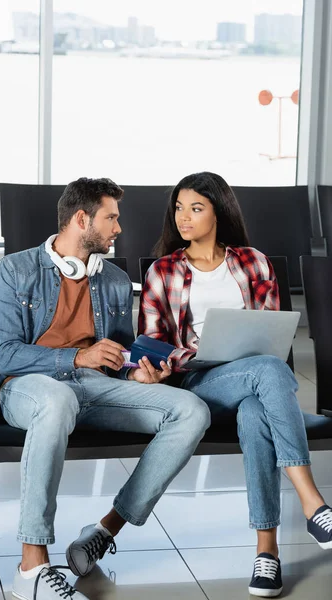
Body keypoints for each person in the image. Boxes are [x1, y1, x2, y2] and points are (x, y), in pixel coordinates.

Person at [0, 177, 211, 600]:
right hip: (31, 388)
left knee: (191, 409)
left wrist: (135, 374)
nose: (118, 229)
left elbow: (120, 352)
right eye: (111, 218)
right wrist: (75, 358)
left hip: (93, 389)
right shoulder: (15, 270)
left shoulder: (110, 279)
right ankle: (30, 567)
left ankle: (105, 528)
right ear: (81, 218)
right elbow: (5, 355)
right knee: (55, 400)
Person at [138, 171, 332, 598]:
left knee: (256, 409)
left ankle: (267, 553)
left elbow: (271, 334)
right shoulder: (162, 271)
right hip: (198, 385)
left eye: (195, 208)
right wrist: (180, 359)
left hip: (253, 385)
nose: (183, 218)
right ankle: (313, 503)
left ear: (219, 212)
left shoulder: (253, 262)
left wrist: (248, 357)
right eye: (178, 208)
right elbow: (150, 345)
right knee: (266, 370)